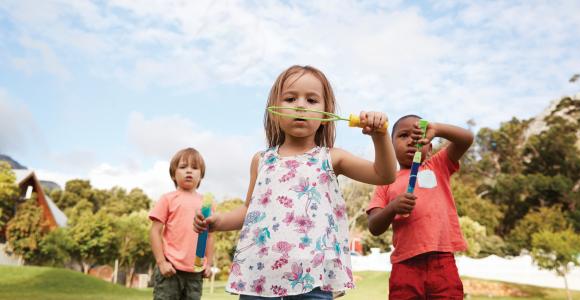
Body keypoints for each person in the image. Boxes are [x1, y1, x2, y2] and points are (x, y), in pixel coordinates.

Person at [194, 65, 397, 299]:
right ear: (275, 111)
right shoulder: (261, 160)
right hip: (259, 277)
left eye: (312, 100)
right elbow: (250, 210)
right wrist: (218, 222)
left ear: (325, 114)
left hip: (312, 278)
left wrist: (380, 136)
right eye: (291, 98)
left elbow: (384, 175)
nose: (301, 105)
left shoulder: (331, 157)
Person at [367, 115, 474, 299]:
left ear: (430, 147)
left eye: (418, 138)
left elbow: (466, 139)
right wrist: (392, 208)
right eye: (403, 136)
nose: (411, 142)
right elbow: (374, 226)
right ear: (390, 147)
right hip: (404, 264)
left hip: (442, 260)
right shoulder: (385, 181)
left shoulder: (437, 165)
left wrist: (436, 129)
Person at [149, 147, 215, 300]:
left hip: (196, 272)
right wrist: (161, 262)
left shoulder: (207, 204)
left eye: (194, 168)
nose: (189, 171)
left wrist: (209, 264)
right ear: (173, 173)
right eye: (183, 167)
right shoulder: (167, 199)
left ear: (201, 174)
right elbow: (154, 232)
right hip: (170, 269)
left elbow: (210, 236)